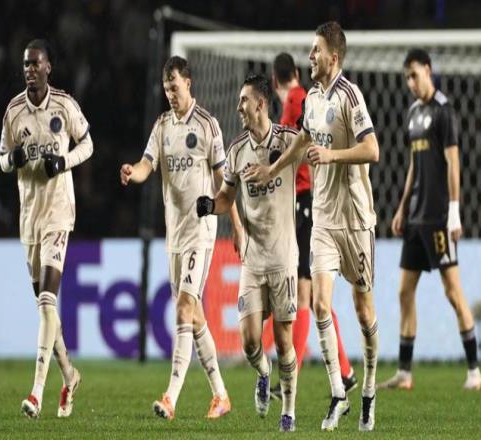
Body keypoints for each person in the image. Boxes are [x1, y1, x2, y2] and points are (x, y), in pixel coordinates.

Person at [244, 22, 380, 432]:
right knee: (319, 304)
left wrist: (332, 155)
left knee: (363, 311)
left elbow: (372, 149)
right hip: (322, 217)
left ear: (333, 57)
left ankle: (368, 390)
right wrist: (272, 170)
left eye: (316, 50)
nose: (310, 56)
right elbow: (303, 140)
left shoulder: (350, 96)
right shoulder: (314, 98)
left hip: (355, 219)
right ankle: (339, 392)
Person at [120, 56, 242, 420]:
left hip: (201, 232)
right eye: (166, 89)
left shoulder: (207, 124)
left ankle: (170, 397)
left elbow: (224, 183)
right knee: (196, 316)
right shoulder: (162, 125)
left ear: (188, 83)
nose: (170, 94)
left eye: (175, 87)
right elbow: (147, 164)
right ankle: (221, 395)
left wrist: (236, 226)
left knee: (184, 307)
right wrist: (132, 172)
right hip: (174, 234)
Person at [197, 74, 300, 432]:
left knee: (284, 340)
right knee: (250, 342)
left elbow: (309, 146)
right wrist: (211, 205)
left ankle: (288, 411)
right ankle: (263, 373)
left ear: (260, 103)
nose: (239, 106)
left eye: (244, 100)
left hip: (284, 259)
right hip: (253, 260)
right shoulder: (237, 150)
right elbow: (227, 196)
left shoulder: (287, 140)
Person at [378, 48, 481, 391]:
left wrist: (454, 213)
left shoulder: (444, 111)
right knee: (404, 291)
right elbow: (414, 165)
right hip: (415, 218)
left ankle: (474, 371)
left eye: (414, 74)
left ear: (428, 69)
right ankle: (405, 373)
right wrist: (401, 208)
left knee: (452, 292)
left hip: (439, 218)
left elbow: (454, 164)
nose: (411, 82)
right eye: (407, 77)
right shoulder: (413, 113)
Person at [0, 39, 93, 419]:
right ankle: (69, 375)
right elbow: (2, 159)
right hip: (30, 219)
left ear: (48, 67)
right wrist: (14, 158)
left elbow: (88, 144)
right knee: (45, 308)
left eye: (36, 63)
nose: (30, 70)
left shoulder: (64, 105)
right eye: (26, 64)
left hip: (58, 214)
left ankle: (36, 392)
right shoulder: (13, 111)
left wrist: (64, 162)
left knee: (47, 302)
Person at [268, 52, 357, 401]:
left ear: (274, 80)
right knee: (318, 297)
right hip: (308, 204)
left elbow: (297, 148)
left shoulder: (296, 100)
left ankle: (290, 376)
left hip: (305, 204)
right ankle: (346, 371)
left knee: (304, 295)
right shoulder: (302, 99)